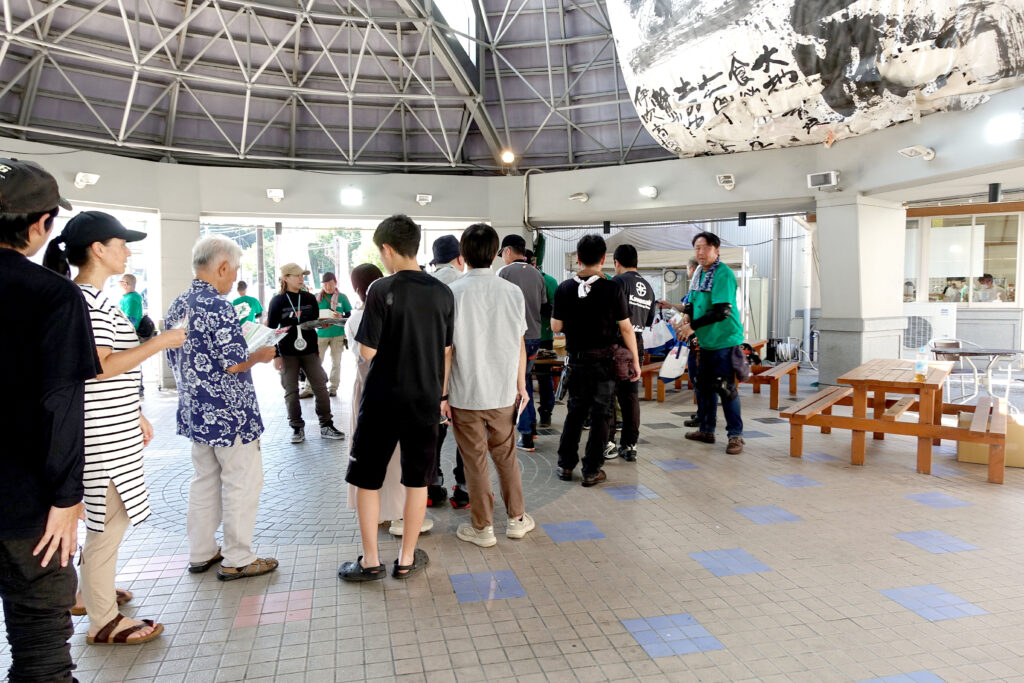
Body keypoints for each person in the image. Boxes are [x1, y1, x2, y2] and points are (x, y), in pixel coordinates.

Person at [43, 211, 188, 645]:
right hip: (101, 437)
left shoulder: (87, 298)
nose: (128, 251)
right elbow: (100, 366)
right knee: (108, 522)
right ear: (98, 250)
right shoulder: (86, 301)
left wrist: (135, 412)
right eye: (121, 243)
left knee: (105, 521)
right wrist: (159, 343)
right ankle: (103, 619)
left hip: (109, 425)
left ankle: (89, 591)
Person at [0, 159, 95, 682]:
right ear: (41, 224)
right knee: (40, 653)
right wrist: (66, 500)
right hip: (26, 506)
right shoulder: (52, 295)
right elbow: (60, 404)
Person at [340, 215, 454, 582]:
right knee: (417, 480)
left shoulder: (380, 289)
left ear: (387, 249)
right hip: (424, 399)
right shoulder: (442, 291)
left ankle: (370, 560)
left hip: (382, 399)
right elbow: (447, 350)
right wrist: (442, 393)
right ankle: (406, 559)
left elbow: (369, 353)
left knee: (367, 478)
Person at [165, 236, 280, 581]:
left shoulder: (178, 304)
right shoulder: (218, 306)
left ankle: (201, 552)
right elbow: (234, 363)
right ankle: (238, 557)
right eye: (234, 271)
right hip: (231, 415)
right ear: (223, 266)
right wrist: (261, 353)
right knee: (241, 483)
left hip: (195, 412)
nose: (234, 279)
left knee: (204, 482)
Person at [448, 224, 535, 547]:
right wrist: (521, 385)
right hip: (502, 391)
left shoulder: (453, 292)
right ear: (496, 252)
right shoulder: (511, 291)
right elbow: (519, 343)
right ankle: (516, 520)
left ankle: (483, 528)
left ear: (464, 254)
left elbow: (447, 351)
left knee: (475, 460)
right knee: (506, 456)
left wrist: (443, 393)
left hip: (464, 392)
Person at [344, 264, 432, 537]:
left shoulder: (352, 319)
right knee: (394, 457)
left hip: (363, 390)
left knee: (365, 457)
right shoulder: (387, 312)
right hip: (392, 389)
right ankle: (398, 515)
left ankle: (375, 515)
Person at [552, 235, 641, 487]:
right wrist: (634, 359)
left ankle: (565, 465)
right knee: (602, 414)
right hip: (605, 363)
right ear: (603, 259)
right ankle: (591, 470)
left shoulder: (565, 287)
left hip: (577, 362)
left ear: (578, 258)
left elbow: (556, 325)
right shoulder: (613, 288)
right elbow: (626, 329)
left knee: (575, 413)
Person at [675, 231, 747, 455]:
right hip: (706, 342)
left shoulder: (722, 274)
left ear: (717, 250)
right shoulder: (698, 272)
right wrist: (687, 317)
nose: (701, 252)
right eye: (697, 248)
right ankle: (706, 430)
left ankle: (735, 436)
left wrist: (692, 327)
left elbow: (721, 311)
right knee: (703, 386)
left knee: (724, 388)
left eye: (706, 247)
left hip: (724, 341)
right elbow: (691, 302)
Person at [266, 264, 345, 444]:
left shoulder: (309, 298)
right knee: (291, 390)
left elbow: (314, 323)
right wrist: (276, 355)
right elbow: (272, 330)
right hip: (287, 352)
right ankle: (296, 427)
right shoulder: (277, 301)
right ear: (285, 278)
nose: (301, 278)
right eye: (296, 276)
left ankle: (326, 424)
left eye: (302, 275)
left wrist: (323, 324)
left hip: (310, 350)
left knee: (321, 387)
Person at [427, 235, 469, 509]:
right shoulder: (463, 284)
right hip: (462, 371)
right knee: (465, 432)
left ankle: (432, 486)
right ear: (460, 258)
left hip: (430, 373)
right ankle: (463, 489)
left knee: (434, 432)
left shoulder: (426, 284)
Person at [605, 244, 656, 462]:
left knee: (609, 395)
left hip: (616, 344)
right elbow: (649, 320)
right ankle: (630, 444)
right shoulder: (648, 287)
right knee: (631, 397)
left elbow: (607, 316)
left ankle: (608, 443)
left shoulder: (616, 283)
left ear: (616, 262)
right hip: (638, 343)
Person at [497, 234, 547, 451]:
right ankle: (532, 427)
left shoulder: (504, 273)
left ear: (508, 251)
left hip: (513, 338)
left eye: (502, 254)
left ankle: (525, 434)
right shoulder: (538, 275)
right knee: (524, 380)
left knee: (519, 385)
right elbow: (544, 305)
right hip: (534, 337)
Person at [660, 257, 700, 428]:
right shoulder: (694, 289)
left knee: (700, 379)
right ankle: (703, 414)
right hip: (692, 341)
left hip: (700, 341)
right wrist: (671, 306)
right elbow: (688, 308)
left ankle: (705, 417)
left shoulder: (702, 287)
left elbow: (694, 311)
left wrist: (688, 323)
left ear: (692, 268)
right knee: (696, 378)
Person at [528, 249, 559, 428]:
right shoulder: (549, 280)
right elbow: (558, 310)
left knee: (531, 376)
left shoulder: (548, 281)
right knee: (543, 376)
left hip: (535, 335)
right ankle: (544, 413)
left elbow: (556, 309)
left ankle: (534, 415)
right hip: (543, 334)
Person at [315, 272, 352, 397]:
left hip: (338, 334)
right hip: (321, 334)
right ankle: (311, 387)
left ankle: (333, 388)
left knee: (336, 362)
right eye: (325, 284)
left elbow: (349, 316)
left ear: (335, 283)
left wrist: (341, 317)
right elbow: (313, 316)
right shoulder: (317, 298)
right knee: (316, 362)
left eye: (330, 284)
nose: (328, 287)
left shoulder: (343, 297)